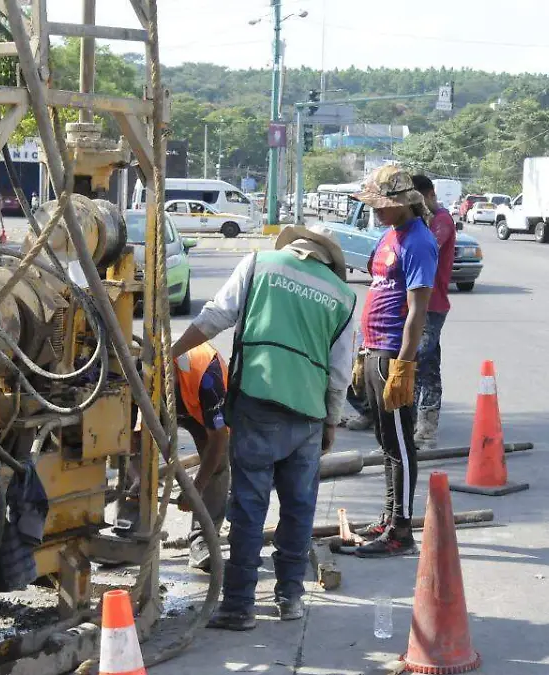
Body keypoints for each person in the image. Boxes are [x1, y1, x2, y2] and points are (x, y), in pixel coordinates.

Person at [171, 223, 356, 630]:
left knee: (249, 507)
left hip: (257, 404)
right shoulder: (343, 295)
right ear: (329, 258)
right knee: (298, 509)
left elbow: (215, 316)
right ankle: (289, 597)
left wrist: (170, 353)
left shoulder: (260, 264)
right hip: (307, 414)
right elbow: (340, 372)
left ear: (296, 243)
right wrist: (330, 423)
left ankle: (239, 606)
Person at [351, 165, 437, 558]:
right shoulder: (388, 235)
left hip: (393, 353)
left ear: (403, 202)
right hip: (374, 349)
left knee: (401, 445)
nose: (377, 211)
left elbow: (418, 311)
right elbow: (377, 292)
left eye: (382, 205)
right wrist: (361, 351)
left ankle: (401, 531)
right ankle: (389, 516)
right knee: (386, 441)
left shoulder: (419, 241)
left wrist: (403, 365)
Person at [115, 343, 230, 573]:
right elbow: (125, 437)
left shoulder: (208, 376)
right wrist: (137, 476)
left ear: (172, 373)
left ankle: (203, 540)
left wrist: (196, 488)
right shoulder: (135, 378)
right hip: (165, 404)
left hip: (198, 407)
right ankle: (129, 528)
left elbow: (218, 441)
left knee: (218, 466)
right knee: (133, 458)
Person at [410, 174, 455, 451]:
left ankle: (425, 429)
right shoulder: (418, 222)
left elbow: (427, 250)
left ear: (429, 195)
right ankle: (416, 425)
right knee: (424, 364)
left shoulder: (441, 221)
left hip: (432, 305)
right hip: (415, 304)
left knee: (420, 364)